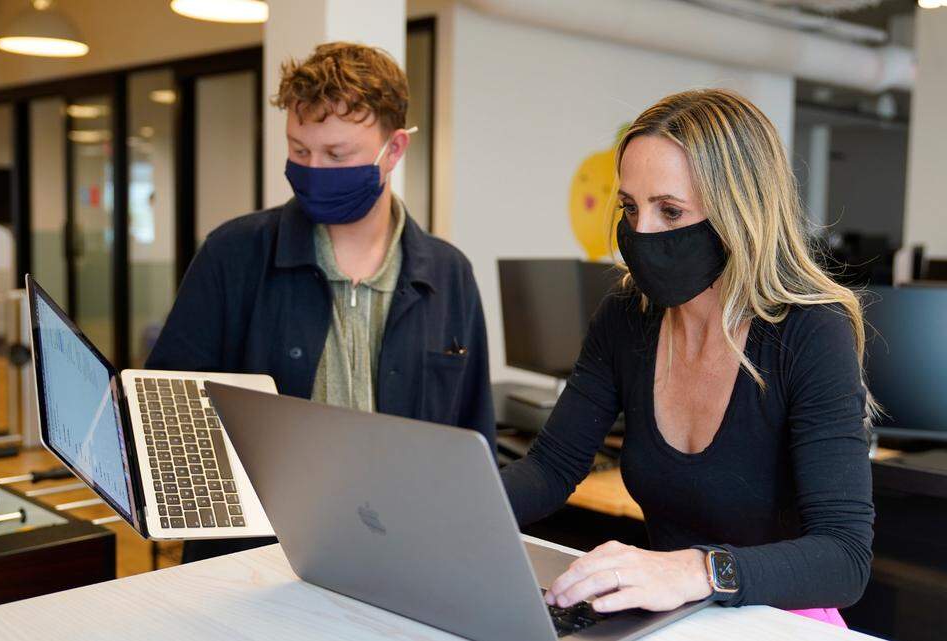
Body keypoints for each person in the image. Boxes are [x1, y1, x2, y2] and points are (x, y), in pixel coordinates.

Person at [500, 89, 874, 626]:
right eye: (630, 207)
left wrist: (698, 572)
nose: (640, 232)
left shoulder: (809, 333)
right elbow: (551, 468)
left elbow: (844, 558)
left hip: (781, 621)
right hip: (672, 618)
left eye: (670, 211)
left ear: (738, 214)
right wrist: (454, 514)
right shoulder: (627, 316)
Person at [147, 42, 495, 561]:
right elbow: (168, 412)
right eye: (299, 150)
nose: (313, 169)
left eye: (337, 155)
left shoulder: (450, 276)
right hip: (254, 559)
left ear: (394, 150)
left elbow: (474, 441)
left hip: (403, 556)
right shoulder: (233, 254)